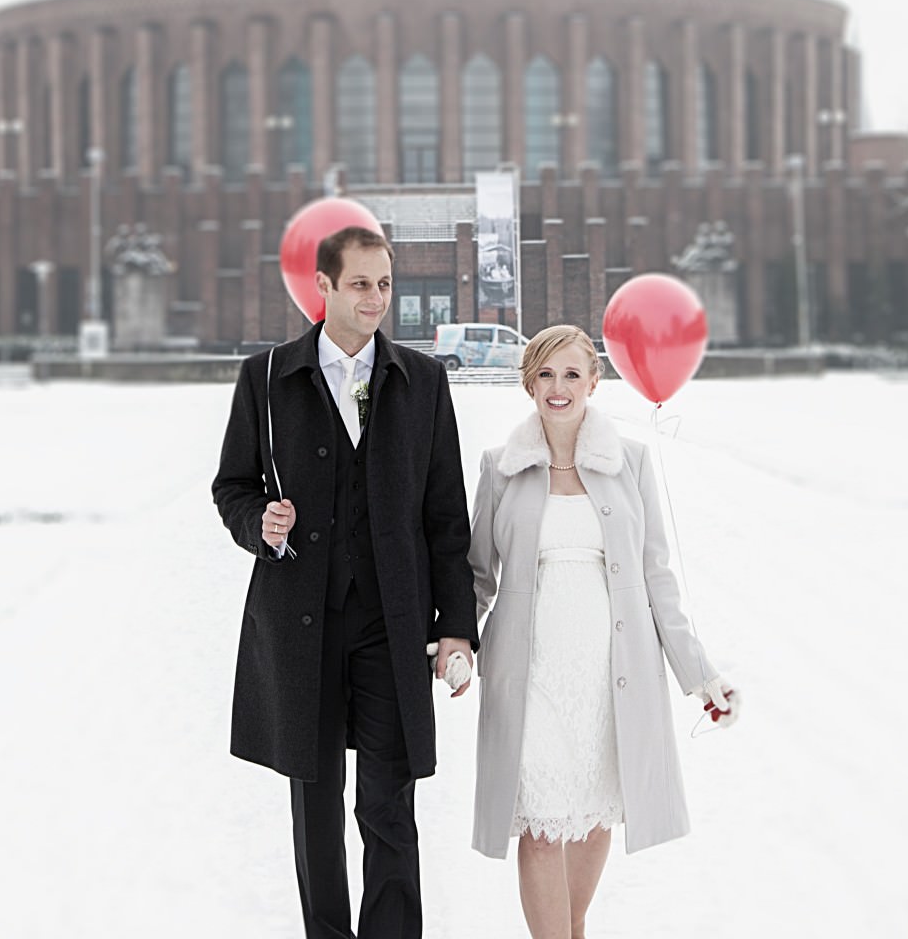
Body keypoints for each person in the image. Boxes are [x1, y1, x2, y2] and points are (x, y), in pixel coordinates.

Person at [212, 225, 478, 939]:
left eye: (384, 284)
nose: (376, 299)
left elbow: (446, 516)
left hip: (391, 623)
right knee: (316, 802)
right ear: (322, 286)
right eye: (360, 284)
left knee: (389, 803)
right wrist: (258, 523)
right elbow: (232, 486)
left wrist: (455, 624)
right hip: (301, 621)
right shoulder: (265, 379)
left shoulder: (423, 381)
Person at [468, 324, 738, 939]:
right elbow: (478, 575)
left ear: (594, 381)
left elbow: (657, 578)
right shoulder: (500, 468)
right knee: (539, 827)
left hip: (610, 665)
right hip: (528, 669)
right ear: (528, 383)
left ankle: (574, 926)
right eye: (544, 374)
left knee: (591, 821)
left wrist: (700, 676)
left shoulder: (630, 462)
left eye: (571, 375)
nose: (558, 388)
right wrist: (456, 643)